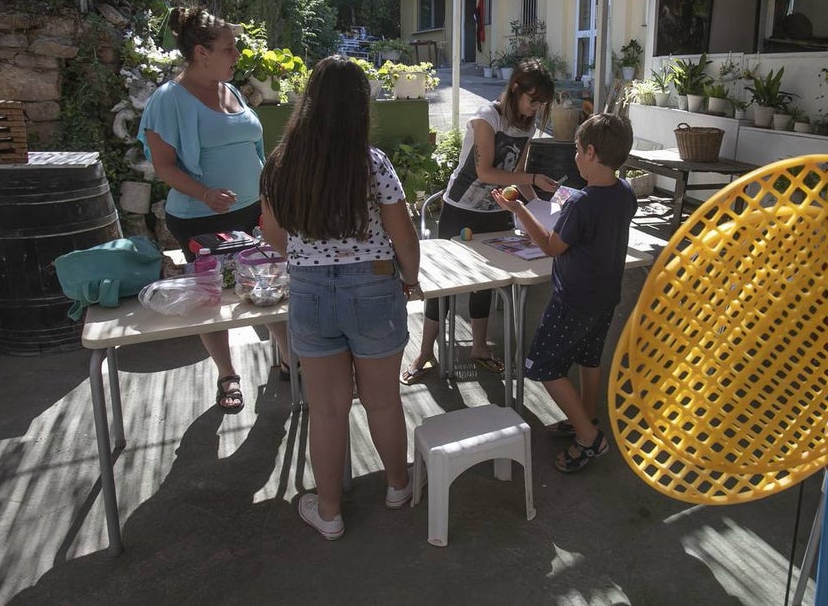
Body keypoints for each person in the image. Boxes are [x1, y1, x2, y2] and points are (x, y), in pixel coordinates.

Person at [258, 56, 421, 540]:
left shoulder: (280, 163)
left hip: (309, 292)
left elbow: (271, 233)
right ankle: (397, 486)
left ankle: (328, 513)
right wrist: (408, 278)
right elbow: (403, 234)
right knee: (383, 401)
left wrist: (309, 258)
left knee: (326, 411)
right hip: (373, 287)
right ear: (359, 108)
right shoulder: (373, 164)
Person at [138, 6, 289, 415]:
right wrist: (204, 193)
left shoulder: (230, 89)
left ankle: (290, 359)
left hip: (254, 210)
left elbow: (251, 148)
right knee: (212, 299)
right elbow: (164, 165)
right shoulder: (168, 100)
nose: (237, 54)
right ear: (202, 52)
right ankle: (228, 375)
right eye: (230, 48)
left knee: (269, 284)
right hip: (201, 217)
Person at [491, 113, 636, 473]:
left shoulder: (581, 204)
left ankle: (589, 437)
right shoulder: (625, 192)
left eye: (575, 150)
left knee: (542, 365)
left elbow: (552, 247)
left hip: (573, 300)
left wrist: (520, 209)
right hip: (605, 297)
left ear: (589, 152)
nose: (573, 157)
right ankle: (585, 416)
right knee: (589, 358)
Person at [400, 58, 558, 385]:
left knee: (486, 284)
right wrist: (531, 178)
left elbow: (518, 176)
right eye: (533, 100)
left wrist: (543, 205)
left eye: (541, 103)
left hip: (499, 211)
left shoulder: (526, 125)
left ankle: (479, 348)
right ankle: (425, 351)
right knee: (443, 287)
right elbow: (486, 172)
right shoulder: (487, 118)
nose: (535, 109)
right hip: (460, 210)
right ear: (515, 89)